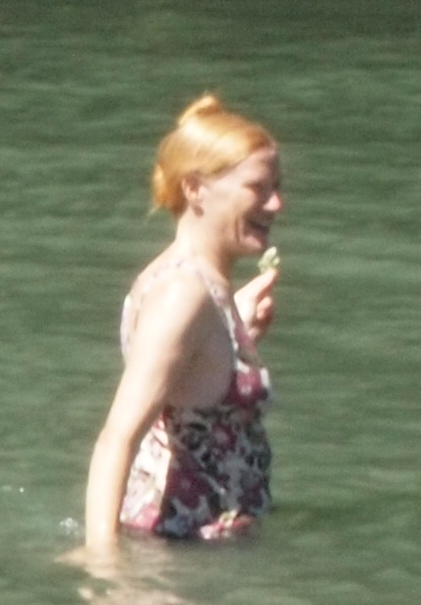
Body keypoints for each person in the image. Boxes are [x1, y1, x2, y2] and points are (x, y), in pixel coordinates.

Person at [82, 94, 284, 550]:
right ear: (195, 189)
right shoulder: (184, 294)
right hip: (179, 554)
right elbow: (117, 438)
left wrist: (237, 334)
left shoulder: (197, 288)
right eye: (258, 188)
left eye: (277, 187)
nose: (276, 203)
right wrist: (104, 566)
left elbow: (187, 396)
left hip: (203, 552)